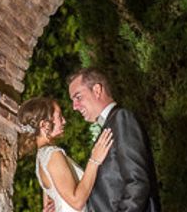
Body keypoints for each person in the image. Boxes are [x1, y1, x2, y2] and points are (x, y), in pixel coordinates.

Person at [67, 67, 161, 212]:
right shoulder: (109, 125)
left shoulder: (122, 119)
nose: (74, 107)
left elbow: (137, 182)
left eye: (78, 97)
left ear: (97, 90)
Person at [18, 97, 114, 212]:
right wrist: (94, 160)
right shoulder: (52, 154)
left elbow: (50, 200)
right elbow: (77, 202)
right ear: (44, 125)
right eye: (59, 117)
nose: (64, 121)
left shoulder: (41, 158)